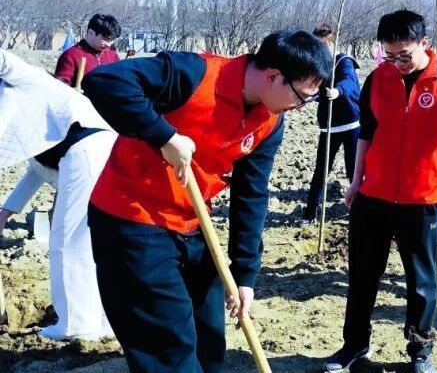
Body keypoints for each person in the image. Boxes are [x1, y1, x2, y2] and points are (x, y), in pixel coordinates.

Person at [84, 30, 333, 373]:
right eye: (301, 96)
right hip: (133, 219)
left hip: (192, 223)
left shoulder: (270, 122)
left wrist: (245, 275)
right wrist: (164, 136)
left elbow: (251, 196)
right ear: (273, 76)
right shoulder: (193, 74)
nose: (301, 107)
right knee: (168, 348)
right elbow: (104, 81)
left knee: (209, 339)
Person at [326, 11, 437, 373]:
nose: (397, 63)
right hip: (374, 192)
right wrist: (356, 181)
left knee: (421, 281)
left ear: (424, 43)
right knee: (362, 275)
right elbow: (366, 132)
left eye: (404, 55)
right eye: (389, 55)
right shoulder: (378, 78)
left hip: (423, 195)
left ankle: (420, 350)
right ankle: (355, 345)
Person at [0, 50, 116, 341]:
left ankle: (75, 324)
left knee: (67, 240)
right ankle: (102, 320)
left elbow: (5, 61)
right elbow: (37, 170)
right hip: (95, 151)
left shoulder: (23, 79)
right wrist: (5, 213)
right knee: (90, 242)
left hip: (87, 149)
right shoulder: (32, 114)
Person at [303, 23, 362, 222]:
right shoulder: (317, 65)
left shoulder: (343, 61)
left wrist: (338, 91)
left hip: (350, 123)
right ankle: (310, 213)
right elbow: (311, 86)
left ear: (332, 44)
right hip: (328, 125)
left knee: (353, 169)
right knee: (321, 170)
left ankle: (358, 212)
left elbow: (350, 82)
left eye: (324, 45)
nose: (321, 49)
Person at [54, 13, 122, 87]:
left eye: (112, 40)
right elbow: (61, 88)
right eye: (106, 39)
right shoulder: (70, 56)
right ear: (91, 33)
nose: (109, 44)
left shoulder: (113, 56)